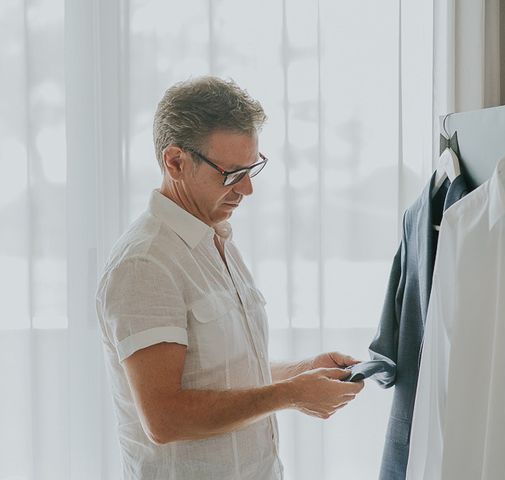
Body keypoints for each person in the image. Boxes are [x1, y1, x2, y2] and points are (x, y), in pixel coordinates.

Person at [96, 76, 364, 479]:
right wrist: (292, 395)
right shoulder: (146, 264)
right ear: (175, 162)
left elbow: (218, 374)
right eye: (232, 173)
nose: (248, 189)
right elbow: (165, 418)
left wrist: (302, 372)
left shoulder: (215, 239)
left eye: (252, 168)